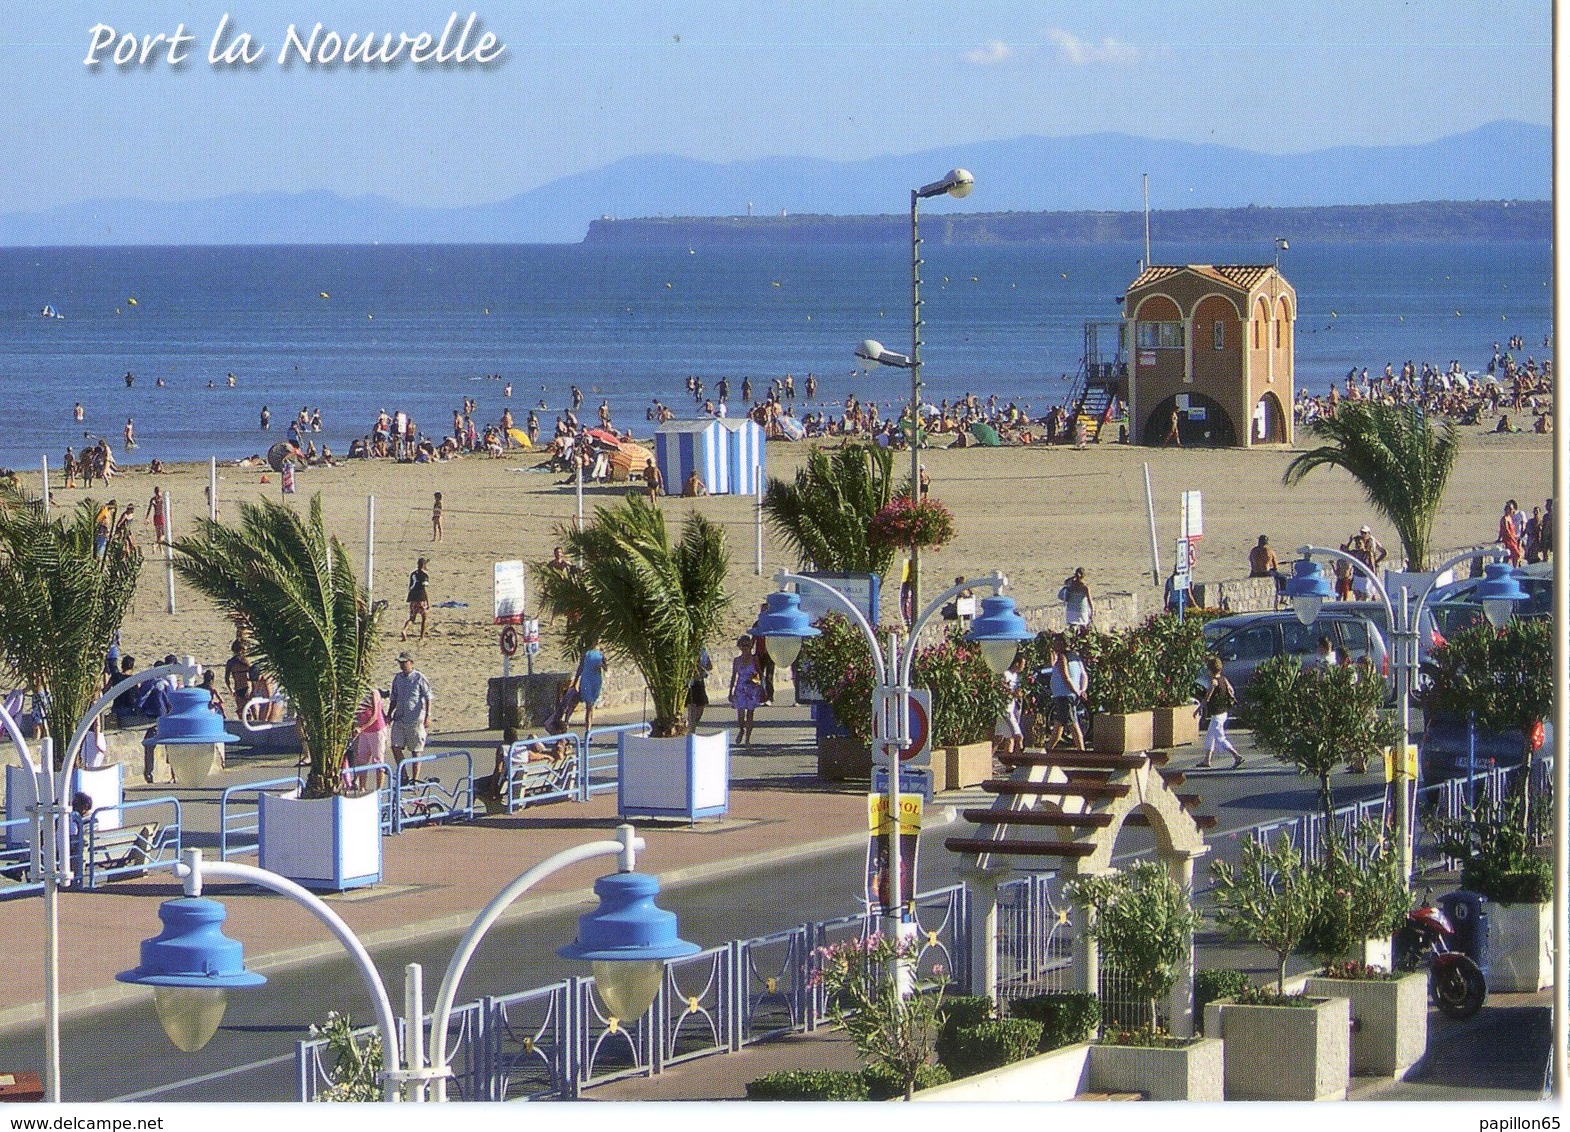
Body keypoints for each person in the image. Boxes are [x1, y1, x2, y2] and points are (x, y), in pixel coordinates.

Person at [388, 651, 432, 783]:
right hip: (400, 717)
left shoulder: (419, 678)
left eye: (404, 662)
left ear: (411, 663)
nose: (402, 665)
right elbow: (394, 697)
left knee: (416, 749)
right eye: (400, 663)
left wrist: (428, 716)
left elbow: (428, 696)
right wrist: (389, 713)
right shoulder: (398, 678)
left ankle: (415, 779)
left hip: (414, 718)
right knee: (395, 746)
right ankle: (404, 775)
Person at [1197, 656, 1242, 769]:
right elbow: (1231, 690)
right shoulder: (1224, 679)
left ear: (1209, 669)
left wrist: (1198, 709)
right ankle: (1207, 760)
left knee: (1220, 738)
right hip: (1223, 712)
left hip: (1216, 714)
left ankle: (1236, 756)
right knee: (1210, 736)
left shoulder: (1214, 682)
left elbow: (1207, 698)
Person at [1045, 635, 1088, 751]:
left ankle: (1081, 751)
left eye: (1055, 642)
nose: (1054, 645)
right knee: (1059, 725)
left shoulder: (1063, 658)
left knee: (1073, 724)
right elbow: (1084, 675)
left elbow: (1066, 677)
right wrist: (1082, 690)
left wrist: (1077, 691)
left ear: (1061, 644)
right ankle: (1048, 750)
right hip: (1067, 695)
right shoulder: (1075, 657)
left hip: (1064, 696)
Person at [346, 688, 389, 791]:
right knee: (362, 759)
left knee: (377, 760)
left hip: (376, 729)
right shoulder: (358, 692)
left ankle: (379, 790)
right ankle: (362, 788)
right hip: (364, 731)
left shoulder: (373, 693)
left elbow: (374, 716)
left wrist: (361, 728)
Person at [727, 635, 764, 745]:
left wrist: (762, 686)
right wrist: (730, 691)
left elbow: (760, 674)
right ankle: (741, 730)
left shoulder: (754, 659)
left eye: (747, 645)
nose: (745, 648)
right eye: (743, 645)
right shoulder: (737, 660)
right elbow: (734, 676)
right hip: (740, 688)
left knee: (750, 713)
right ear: (740, 646)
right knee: (741, 713)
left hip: (752, 688)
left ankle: (748, 738)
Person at [994, 654, 1026, 759]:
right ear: (1017, 663)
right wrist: (1012, 692)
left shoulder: (1016, 676)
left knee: (1000, 737)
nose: (1024, 666)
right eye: (1023, 664)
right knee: (1018, 736)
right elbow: (1000, 687)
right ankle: (1020, 760)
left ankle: (1005, 762)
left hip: (1011, 708)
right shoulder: (1005, 674)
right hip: (1005, 710)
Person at [572, 642, 606, 733]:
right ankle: (588, 729)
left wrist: (602, 665)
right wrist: (575, 682)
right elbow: (580, 667)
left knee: (591, 705)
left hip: (596, 680)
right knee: (589, 706)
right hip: (587, 680)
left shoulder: (601, 652)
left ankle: (589, 727)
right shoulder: (586, 653)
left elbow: (606, 667)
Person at [401, 556, 430, 641]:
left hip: (412, 598)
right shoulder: (424, 576)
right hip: (421, 598)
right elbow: (424, 587)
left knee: (412, 618)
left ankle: (405, 630)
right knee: (424, 618)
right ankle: (421, 637)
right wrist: (427, 601)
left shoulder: (413, 574)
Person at [686, 646, 712, 731]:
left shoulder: (703, 650)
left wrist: (701, 666)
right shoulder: (688, 649)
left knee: (701, 705)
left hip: (700, 680)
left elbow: (709, 666)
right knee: (692, 706)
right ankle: (691, 728)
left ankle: (693, 725)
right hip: (690, 682)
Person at [224, 639, 251, 717]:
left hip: (239, 688)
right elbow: (252, 674)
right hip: (246, 687)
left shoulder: (231, 662)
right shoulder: (244, 661)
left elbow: (227, 679)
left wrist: (230, 689)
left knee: (241, 711)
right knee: (248, 710)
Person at [1497, 501, 1523, 567]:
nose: (1512, 511)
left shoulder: (1510, 518)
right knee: (1517, 554)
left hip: (1513, 537)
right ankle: (1515, 567)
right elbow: (1505, 530)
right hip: (1509, 539)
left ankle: (1515, 567)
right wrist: (1500, 538)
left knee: (1517, 554)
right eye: (1510, 509)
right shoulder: (1504, 518)